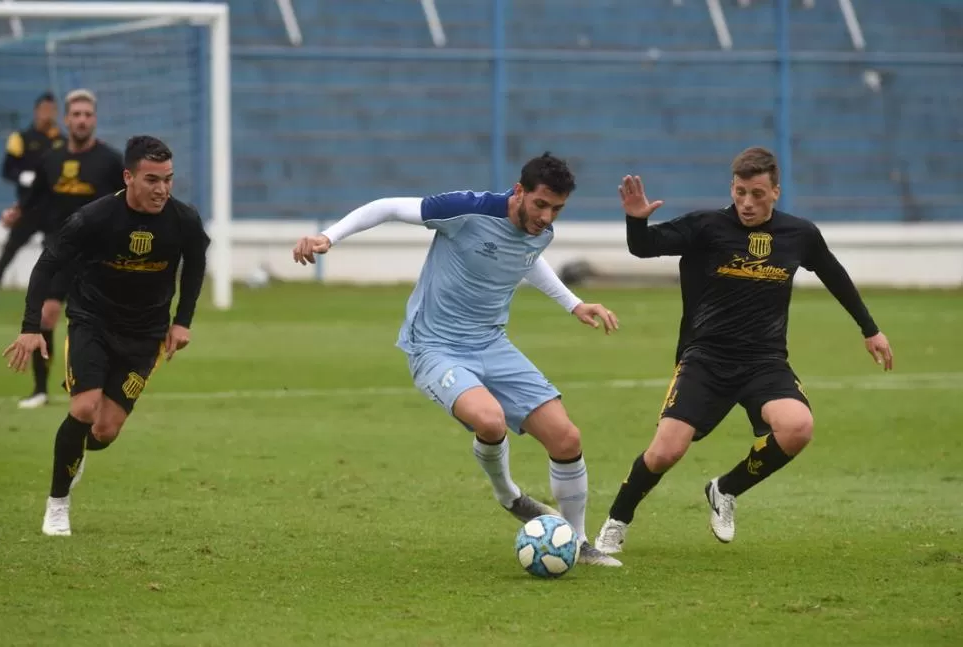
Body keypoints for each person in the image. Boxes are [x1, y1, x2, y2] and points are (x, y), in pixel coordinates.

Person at [293, 153, 623, 567]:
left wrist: (574, 303)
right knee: (489, 420)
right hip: (435, 345)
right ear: (519, 192)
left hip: (492, 344)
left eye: (556, 208)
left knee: (567, 439)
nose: (546, 216)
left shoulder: (542, 231)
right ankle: (509, 495)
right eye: (540, 204)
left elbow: (526, 261)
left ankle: (576, 542)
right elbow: (389, 207)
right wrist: (330, 237)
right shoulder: (467, 208)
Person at [594, 146, 894, 553]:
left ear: (776, 192)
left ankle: (725, 489)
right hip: (705, 358)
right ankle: (617, 520)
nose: (746, 203)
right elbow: (644, 246)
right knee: (665, 452)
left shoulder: (799, 234)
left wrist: (870, 330)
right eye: (739, 193)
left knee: (797, 427)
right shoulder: (706, 226)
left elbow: (834, 275)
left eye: (756, 193)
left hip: (764, 362)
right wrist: (635, 219)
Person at [2, 135, 210, 537]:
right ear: (128, 177)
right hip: (91, 322)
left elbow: (197, 265)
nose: (162, 189)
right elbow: (45, 266)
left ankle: (76, 455)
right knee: (83, 408)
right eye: (152, 179)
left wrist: (182, 321)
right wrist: (31, 328)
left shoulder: (183, 219)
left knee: (104, 431)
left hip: (145, 335)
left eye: (168, 179)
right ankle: (57, 505)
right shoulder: (94, 218)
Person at [0, 88, 124, 409]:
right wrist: (18, 211)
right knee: (46, 315)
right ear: (66, 119)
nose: (82, 120)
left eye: (87, 115)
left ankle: (100, 383)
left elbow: (128, 200)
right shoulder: (51, 159)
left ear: (94, 119)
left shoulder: (110, 161)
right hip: (60, 249)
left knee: (102, 324)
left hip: (99, 256)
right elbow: (37, 196)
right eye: (76, 115)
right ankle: (40, 389)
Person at [0, 92, 64, 304]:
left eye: (51, 110)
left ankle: (49, 300)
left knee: (54, 256)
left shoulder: (62, 141)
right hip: (28, 207)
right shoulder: (21, 138)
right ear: (36, 112)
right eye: (44, 110)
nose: (47, 114)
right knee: (8, 253)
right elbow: (6, 170)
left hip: (54, 209)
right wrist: (22, 177)